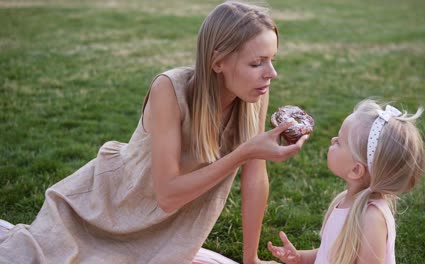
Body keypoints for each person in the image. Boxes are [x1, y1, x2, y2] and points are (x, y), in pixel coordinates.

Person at [0, 1, 309, 263]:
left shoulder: (253, 92)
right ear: (218, 62)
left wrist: (251, 257)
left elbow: (255, 179)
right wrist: (244, 152)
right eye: (257, 63)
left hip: (168, 230)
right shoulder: (170, 89)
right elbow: (168, 195)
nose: (272, 73)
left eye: (272, 60)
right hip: (107, 209)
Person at [267, 99, 425, 264]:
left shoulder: (372, 219)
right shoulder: (346, 200)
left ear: (356, 170)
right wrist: (300, 258)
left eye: (340, 141)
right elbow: (330, 254)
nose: (332, 140)